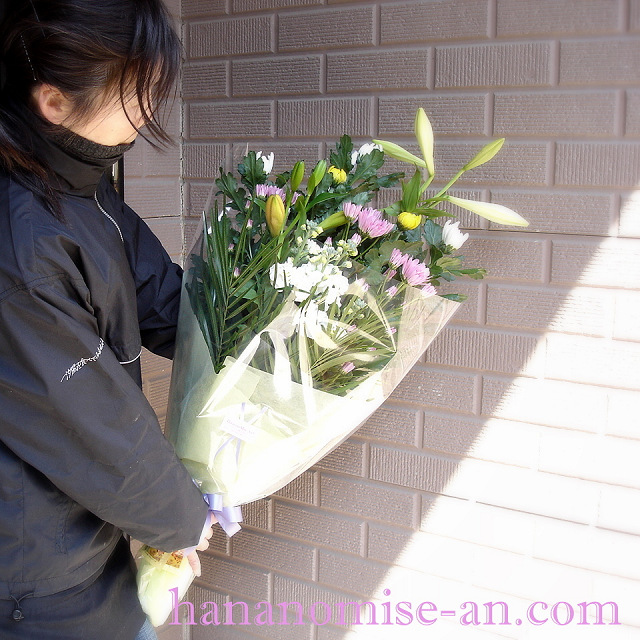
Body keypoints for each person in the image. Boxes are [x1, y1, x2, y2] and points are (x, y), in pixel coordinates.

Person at [0, 1, 214, 638]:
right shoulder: (22, 242)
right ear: (54, 102)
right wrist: (181, 521)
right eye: (135, 91)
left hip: (86, 536)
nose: (149, 110)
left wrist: (269, 329)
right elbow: (89, 420)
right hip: (35, 574)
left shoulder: (80, 188)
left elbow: (164, 300)